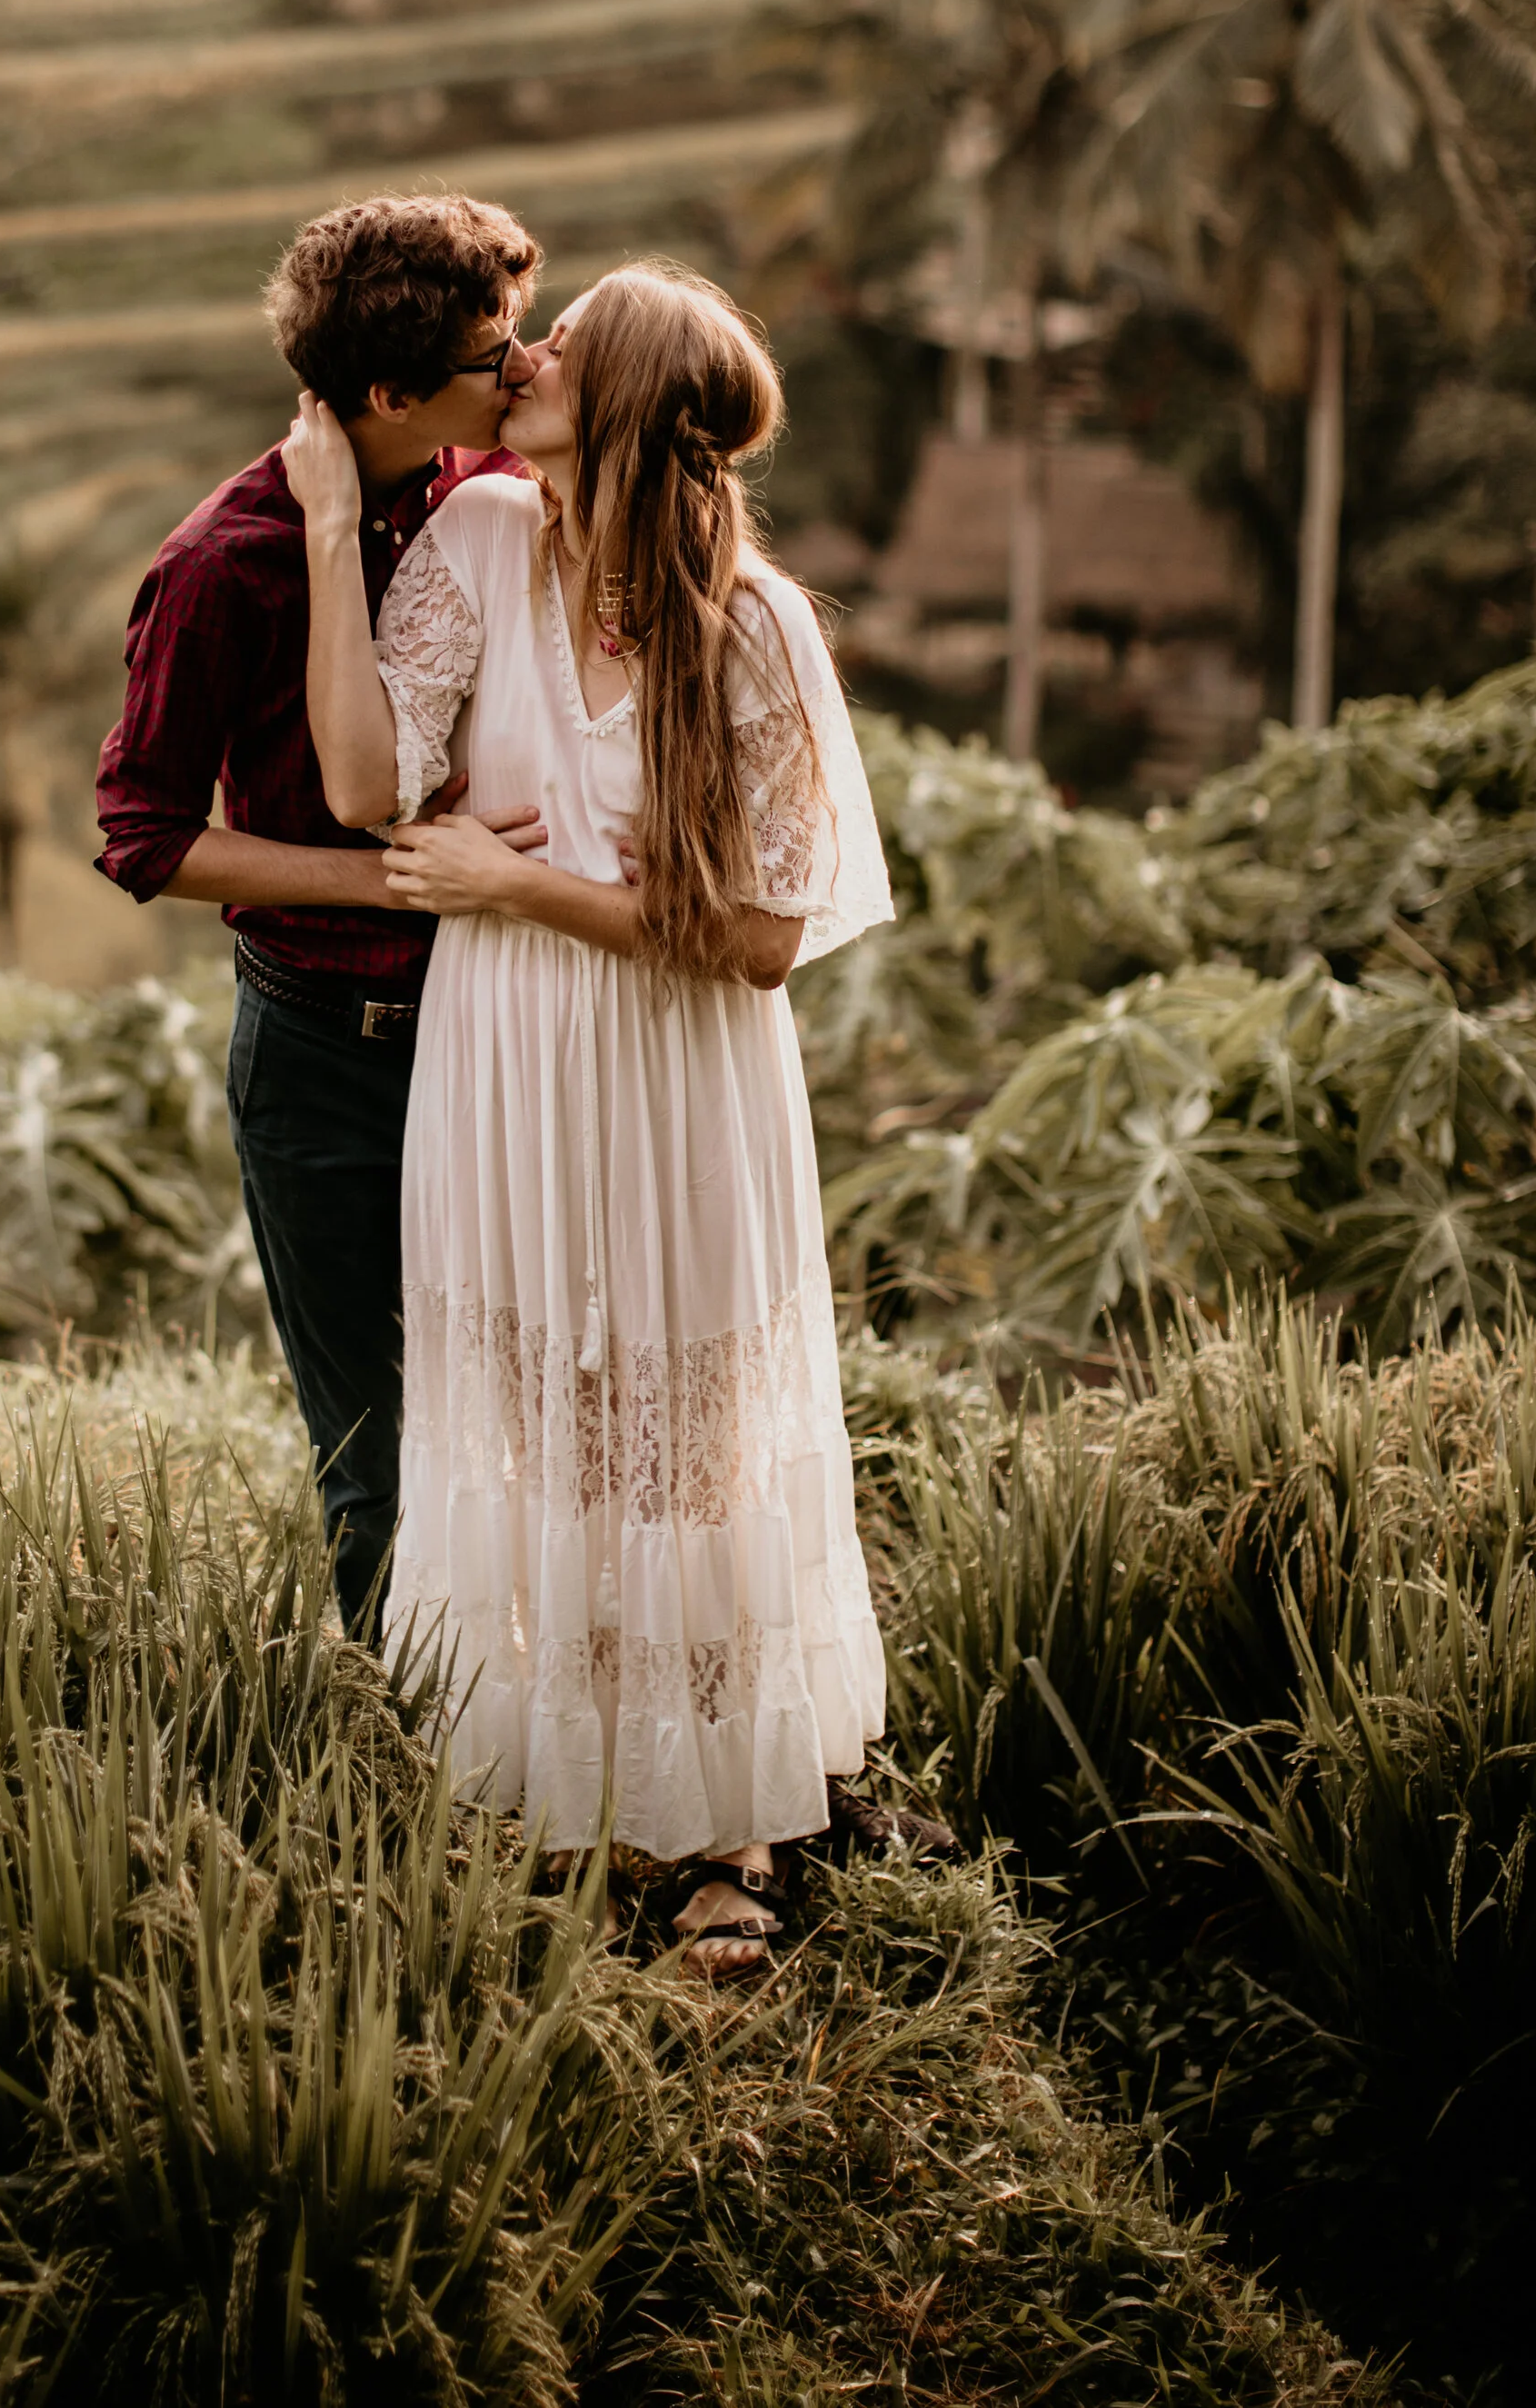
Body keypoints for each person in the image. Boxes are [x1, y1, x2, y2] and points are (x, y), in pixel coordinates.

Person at [285, 259, 900, 1975]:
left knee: (684, 1440)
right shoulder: (478, 541)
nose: (527, 355)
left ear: (623, 411)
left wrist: (515, 877)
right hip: (505, 1072)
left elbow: (764, 941)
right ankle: (567, 1784)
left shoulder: (758, 630)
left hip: (684, 1079)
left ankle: (729, 1827)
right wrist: (338, 530)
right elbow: (358, 783)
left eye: (568, 344)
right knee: (541, 1408)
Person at [95, 193, 543, 1643]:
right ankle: (412, 1771)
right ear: (388, 395)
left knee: (533, 1415)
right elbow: (144, 837)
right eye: (496, 351)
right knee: (379, 1459)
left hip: (495, 1020)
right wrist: (390, 874)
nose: (524, 367)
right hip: (326, 1054)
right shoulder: (223, 564)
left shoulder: (478, 478)